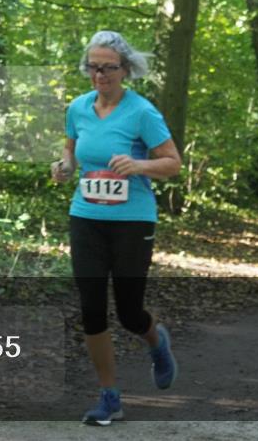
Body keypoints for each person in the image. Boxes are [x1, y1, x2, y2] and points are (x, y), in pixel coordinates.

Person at [50, 31, 181, 426]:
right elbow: (72, 150)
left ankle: (156, 341)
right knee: (91, 309)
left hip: (132, 221)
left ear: (125, 69)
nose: (100, 75)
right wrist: (65, 167)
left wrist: (139, 165)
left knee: (128, 311)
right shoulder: (78, 107)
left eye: (108, 68)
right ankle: (109, 397)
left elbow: (173, 163)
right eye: (93, 67)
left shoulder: (142, 112)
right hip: (86, 217)